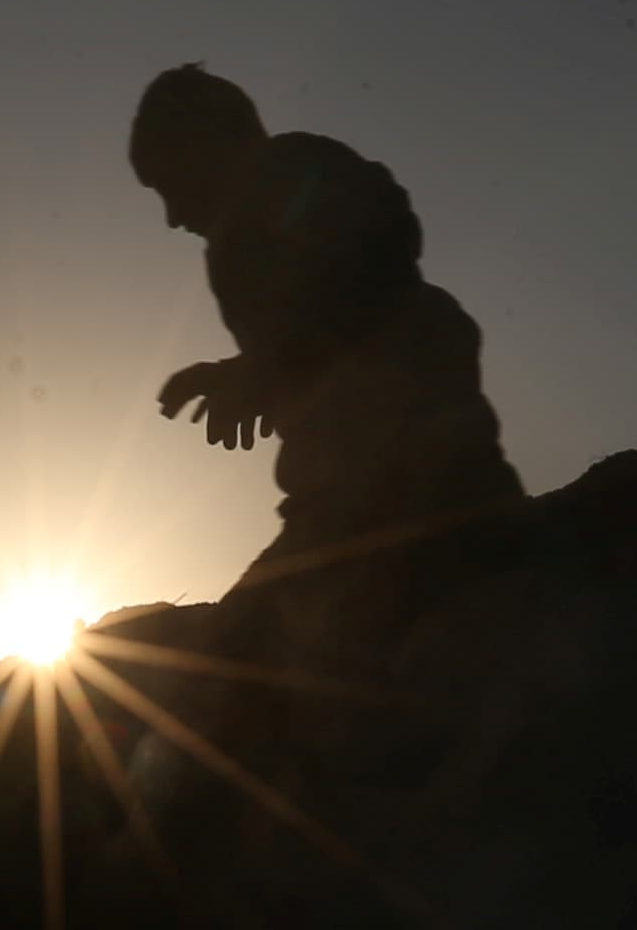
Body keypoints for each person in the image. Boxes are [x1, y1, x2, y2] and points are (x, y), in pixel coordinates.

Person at [131, 63, 524, 602]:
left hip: (417, 485)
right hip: (342, 505)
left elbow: (364, 278)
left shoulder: (295, 173)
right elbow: (313, 352)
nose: (172, 216)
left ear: (205, 142)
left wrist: (262, 370)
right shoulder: (237, 245)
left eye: (169, 184)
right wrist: (246, 378)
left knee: (247, 657)